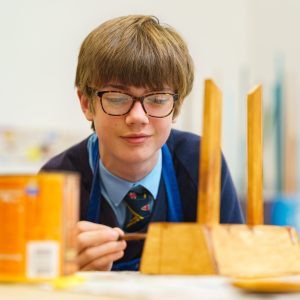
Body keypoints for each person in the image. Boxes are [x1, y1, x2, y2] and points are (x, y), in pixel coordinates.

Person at [41, 15, 244, 272]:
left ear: (176, 106)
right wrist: (63, 273)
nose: (137, 117)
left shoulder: (201, 163)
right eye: (117, 97)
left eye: (157, 99)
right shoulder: (56, 181)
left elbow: (237, 269)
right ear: (86, 104)